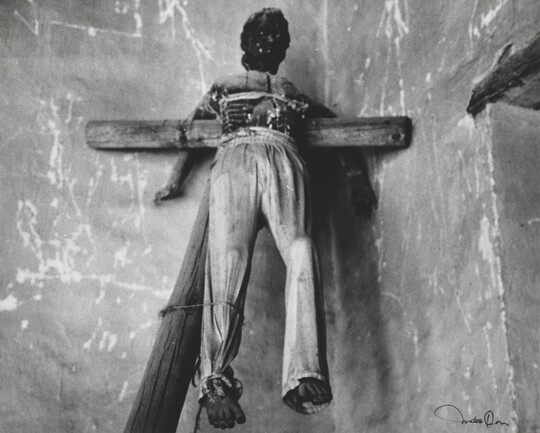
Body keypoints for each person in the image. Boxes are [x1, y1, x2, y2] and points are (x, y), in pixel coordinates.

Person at [155, 8, 375, 429]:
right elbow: (190, 130)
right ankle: (215, 383)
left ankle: (304, 371)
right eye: (262, 34)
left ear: (284, 48)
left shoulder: (291, 91)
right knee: (228, 257)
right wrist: (175, 180)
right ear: (246, 43)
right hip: (236, 159)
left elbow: (337, 126)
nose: (269, 41)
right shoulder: (225, 86)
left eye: (277, 36)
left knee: (303, 248)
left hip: (285, 161)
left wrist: (356, 178)